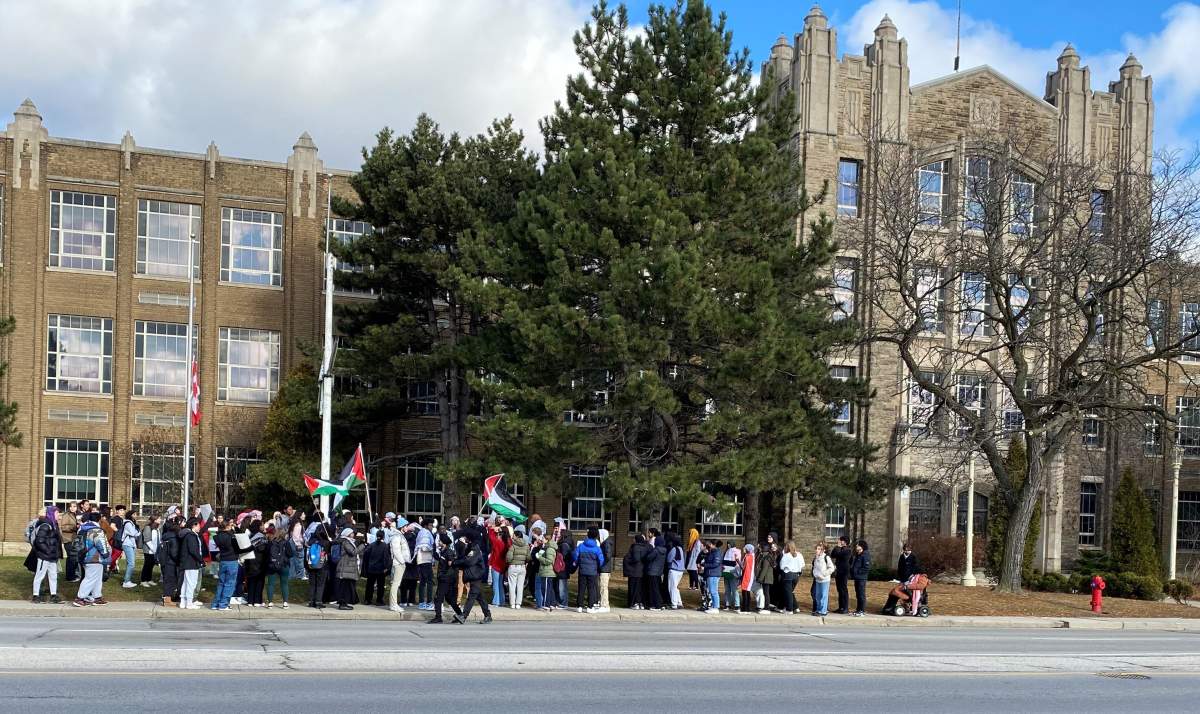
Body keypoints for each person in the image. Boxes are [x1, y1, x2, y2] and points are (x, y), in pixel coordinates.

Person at [453, 532, 491, 624]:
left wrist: (456, 562)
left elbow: (469, 561)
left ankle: (463, 616)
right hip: (472, 576)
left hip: (476, 576)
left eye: (465, 536)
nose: (464, 538)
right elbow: (462, 556)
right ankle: (488, 616)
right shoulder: (469, 547)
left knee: (471, 596)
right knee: (480, 597)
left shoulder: (475, 549)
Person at [74, 513, 110, 607]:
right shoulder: (97, 530)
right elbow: (100, 543)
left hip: (85, 556)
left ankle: (97, 597)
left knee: (97, 578)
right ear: (99, 520)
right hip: (95, 557)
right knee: (90, 578)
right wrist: (106, 554)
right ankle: (80, 598)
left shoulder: (83, 528)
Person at [429, 532, 464, 623]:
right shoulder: (443, 551)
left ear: (443, 542)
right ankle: (460, 615)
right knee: (450, 599)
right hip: (445, 578)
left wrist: (444, 575)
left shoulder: (449, 552)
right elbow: (440, 560)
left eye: (440, 540)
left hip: (446, 579)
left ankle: (438, 617)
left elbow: (451, 565)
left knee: (438, 598)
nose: (438, 542)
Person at [31, 506, 62, 604]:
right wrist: (48, 551)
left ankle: (53, 595)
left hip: (52, 557)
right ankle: (36, 596)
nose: (59, 516)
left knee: (53, 576)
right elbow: (39, 541)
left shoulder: (54, 525)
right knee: (39, 575)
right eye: (57, 513)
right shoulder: (46, 525)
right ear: (52, 514)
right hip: (44, 556)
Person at [212, 520, 242, 611]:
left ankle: (216, 603)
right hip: (232, 560)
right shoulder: (231, 537)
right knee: (230, 583)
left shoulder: (217, 536)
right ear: (228, 527)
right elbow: (238, 547)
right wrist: (233, 530)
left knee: (221, 582)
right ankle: (223, 604)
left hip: (223, 560)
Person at [573, 526, 604, 612]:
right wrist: (598, 567)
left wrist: (577, 563)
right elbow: (601, 560)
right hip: (593, 571)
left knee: (581, 588)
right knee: (591, 589)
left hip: (582, 570)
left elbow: (575, 556)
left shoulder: (581, 546)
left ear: (588, 535)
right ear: (596, 536)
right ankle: (590, 607)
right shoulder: (597, 548)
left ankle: (579, 606)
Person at [265, 525, 296, 608]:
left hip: (272, 565)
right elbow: (290, 554)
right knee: (284, 584)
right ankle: (285, 602)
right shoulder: (286, 542)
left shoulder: (271, 542)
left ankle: (270, 602)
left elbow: (267, 553)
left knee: (270, 584)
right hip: (284, 565)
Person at [178, 518, 205, 609]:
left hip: (187, 562)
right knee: (191, 583)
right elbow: (194, 551)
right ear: (194, 525)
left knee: (186, 583)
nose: (200, 527)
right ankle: (189, 603)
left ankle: (183, 602)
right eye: (198, 525)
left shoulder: (188, 535)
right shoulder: (192, 536)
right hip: (191, 563)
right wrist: (201, 560)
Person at [388, 517, 412, 612]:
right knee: (395, 584)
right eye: (406, 526)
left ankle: (394, 604)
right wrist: (402, 562)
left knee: (395, 584)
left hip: (399, 563)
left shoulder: (399, 535)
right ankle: (393, 605)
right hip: (398, 563)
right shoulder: (397, 536)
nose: (407, 528)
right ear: (402, 527)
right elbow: (396, 551)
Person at [305, 525, 332, 609]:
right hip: (322, 565)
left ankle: (311, 601)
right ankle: (318, 601)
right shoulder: (326, 542)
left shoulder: (311, 541)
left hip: (311, 565)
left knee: (312, 583)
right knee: (320, 584)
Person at [362, 528, 391, 606]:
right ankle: (379, 600)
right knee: (380, 585)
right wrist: (386, 567)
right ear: (383, 537)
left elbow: (366, 554)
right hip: (380, 569)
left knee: (370, 585)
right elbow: (386, 558)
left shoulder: (372, 545)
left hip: (371, 568)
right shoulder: (384, 546)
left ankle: (367, 600)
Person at [334, 527, 360, 610]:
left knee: (346, 586)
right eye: (352, 533)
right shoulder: (346, 542)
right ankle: (342, 604)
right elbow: (353, 552)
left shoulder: (349, 541)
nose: (353, 534)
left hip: (347, 567)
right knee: (344, 587)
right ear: (348, 534)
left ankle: (344, 602)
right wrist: (362, 545)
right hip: (345, 567)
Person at [486, 517, 510, 608]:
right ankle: (502, 600)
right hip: (503, 566)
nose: (497, 534)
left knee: (495, 584)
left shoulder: (498, 543)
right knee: (500, 584)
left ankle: (496, 601)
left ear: (500, 535)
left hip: (496, 565)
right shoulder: (507, 543)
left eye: (498, 533)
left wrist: (490, 528)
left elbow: (491, 536)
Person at [244, 520, 268, 607]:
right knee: (259, 581)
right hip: (259, 561)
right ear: (259, 526)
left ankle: (250, 601)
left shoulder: (250, 535)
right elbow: (263, 549)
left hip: (249, 560)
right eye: (262, 525)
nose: (263, 527)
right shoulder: (261, 537)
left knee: (251, 581)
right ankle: (257, 601)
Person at [506, 524, 531, 609]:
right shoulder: (526, 546)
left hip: (513, 566)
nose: (512, 537)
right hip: (522, 567)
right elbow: (528, 557)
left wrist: (509, 562)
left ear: (516, 536)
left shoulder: (513, 546)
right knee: (520, 586)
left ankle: (512, 603)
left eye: (513, 535)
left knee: (512, 586)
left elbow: (508, 557)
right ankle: (518, 604)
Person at [533, 527, 558, 611]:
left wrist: (540, 558)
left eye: (543, 538)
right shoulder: (545, 548)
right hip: (545, 571)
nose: (542, 539)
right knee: (548, 588)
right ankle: (552, 603)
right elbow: (540, 555)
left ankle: (546, 604)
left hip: (548, 571)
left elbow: (549, 561)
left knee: (546, 589)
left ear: (547, 540)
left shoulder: (550, 549)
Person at [623, 534, 649, 610]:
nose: (633, 540)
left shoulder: (635, 547)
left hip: (634, 571)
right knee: (640, 588)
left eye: (634, 539)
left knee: (633, 587)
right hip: (642, 571)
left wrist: (627, 559)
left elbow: (636, 558)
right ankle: (640, 602)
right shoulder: (645, 547)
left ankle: (634, 603)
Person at [159, 517, 181, 606]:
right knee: (170, 581)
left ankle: (166, 597)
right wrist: (179, 561)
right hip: (171, 562)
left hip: (164, 561)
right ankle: (167, 600)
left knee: (167, 580)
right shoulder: (174, 539)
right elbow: (174, 552)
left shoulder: (165, 537)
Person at [778, 541, 805, 614]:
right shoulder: (799, 554)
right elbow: (803, 565)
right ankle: (795, 607)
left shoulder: (786, 555)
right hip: (796, 575)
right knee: (790, 592)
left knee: (788, 593)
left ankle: (789, 609)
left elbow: (781, 566)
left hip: (788, 575)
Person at [415, 518, 436, 610]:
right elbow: (424, 547)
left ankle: (421, 603)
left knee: (423, 582)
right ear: (426, 525)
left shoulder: (421, 532)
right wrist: (433, 549)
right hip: (425, 560)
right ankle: (429, 603)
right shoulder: (425, 533)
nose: (432, 527)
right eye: (431, 525)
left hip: (421, 560)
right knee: (429, 582)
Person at [642, 534, 667, 611]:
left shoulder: (656, 550)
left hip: (652, 571)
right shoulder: (664, 550)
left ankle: (655, 605)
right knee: (658, 589)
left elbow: (648, 558)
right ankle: (660, 603)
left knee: (653, 589)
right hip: (659, 572)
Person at [554, 519, 575, 607]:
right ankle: (562, 602)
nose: (558, 533)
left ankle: (563, 603)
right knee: (562, 586)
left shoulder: (564, 544)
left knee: (562, 587)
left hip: (563, 569)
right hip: (564, 568)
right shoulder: (566, 543)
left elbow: (563, 557)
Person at [810, 542, 835, 616]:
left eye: (819, 549)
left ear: (823, 550)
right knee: (817, 596)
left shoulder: (826, 557)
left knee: (823, 595)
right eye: (816, 549)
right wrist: (815, 574)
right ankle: (818, 610)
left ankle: (823, 611)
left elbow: (831, 568)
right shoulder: (816, 558)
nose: (817, 550)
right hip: (818, 579)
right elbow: (814, 568)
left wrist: (823, 574)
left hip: (825, 580)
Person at [830, 536, 852, 615]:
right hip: (838, 572)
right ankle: (841, 607)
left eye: (840, 540)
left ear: (844, 542)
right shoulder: (840, 548)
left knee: (843, 590)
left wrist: (838, 547)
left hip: (844, 572)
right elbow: (833, 555)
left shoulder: (848, 550)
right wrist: (837, 547)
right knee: (839, 590)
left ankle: (845, 608)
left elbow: (839, 554)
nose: (839, 541)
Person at [119, 509, 141, 588]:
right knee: (131, 563)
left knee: (130, 563)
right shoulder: (128, 523)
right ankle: (126, 581)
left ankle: (127, 580)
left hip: (131, 544)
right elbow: (132, 533)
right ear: (130, 515)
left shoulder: (132, 523)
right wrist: (138, 533)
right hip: (127, 544)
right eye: (134, 514)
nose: (136, 516)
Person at [59, 501, 80, 582]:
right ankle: (70, 576)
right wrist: (74, 527)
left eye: (74, 506)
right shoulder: (66, 515)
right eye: (71, 506)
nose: (72, 508)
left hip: (75, 539)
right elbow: (63, 527)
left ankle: (71, 575)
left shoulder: (77, 515)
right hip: (68, 539)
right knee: (72, 557)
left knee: (73, 558)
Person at [850, 539, 871, 617]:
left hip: (861, 578)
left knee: (861, 594)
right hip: (857, 578)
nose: (856, 546)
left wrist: (857, 572)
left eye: (858, 545)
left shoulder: (865, 555)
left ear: (862, 546)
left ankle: (862, 610)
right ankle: (858, 609)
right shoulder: (858, 554)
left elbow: (866, 567)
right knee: (858, 594)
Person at [755, 538, 777, 613]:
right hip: (765, 578)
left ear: (763, 548)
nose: (759, 549)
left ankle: (766, 608)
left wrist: (760, 579)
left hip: (766, 578)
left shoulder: (766, 557)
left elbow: (764, 569)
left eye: (760, 547)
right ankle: (764, 606)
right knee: (765, 592)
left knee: (766, 593)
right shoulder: (764, 555)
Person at [701, 539, 723, 613]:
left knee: (713, 591)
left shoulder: (717, 552)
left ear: (713, 545)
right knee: (711, 591)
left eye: (710, 544)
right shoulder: (712, 552)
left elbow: (715, 564)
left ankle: (716, 607)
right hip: (710, 573)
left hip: (713, 574)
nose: (709, 545)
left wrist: (705, 565)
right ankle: (714, 606)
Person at [666, 531, 686, 609]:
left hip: (674, 570)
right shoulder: (681, 549)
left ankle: (674, 604)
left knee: (672, 587)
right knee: (676, 587)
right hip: (680, 571)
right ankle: (679, 602)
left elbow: (669, 559)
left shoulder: (674, 549)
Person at [139, 515, 161, 587]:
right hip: (148, 550)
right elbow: (147, 540)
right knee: (147, 565)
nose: (160, 519)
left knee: (151, 565)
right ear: (155, 520)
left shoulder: (157, 528)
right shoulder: (147, 528)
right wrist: (154, 549)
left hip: (155, 550)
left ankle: (149, 579)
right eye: (159, 518)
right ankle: (143, 580)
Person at [597, 528, 614, 612]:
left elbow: (608, 555)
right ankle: (602, 603)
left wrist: (601, 562)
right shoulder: (606, 543)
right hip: (604, 568)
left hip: (605, 569)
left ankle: (605, 605)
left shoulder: (606, 543)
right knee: (602, 587)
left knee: (604, 587)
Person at [721, 541, 742, 611]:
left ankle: (737, 605)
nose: (728, 545)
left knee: (734, 590)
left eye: (729, 544)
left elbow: (737, 563)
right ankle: (727, 604)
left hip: (734, 573)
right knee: (727, 590)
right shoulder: (726, 552)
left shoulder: (737, 551)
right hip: (726, 571)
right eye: (727, 544)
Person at [738, 543, 757, 614]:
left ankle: (745, 609)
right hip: (749, 575)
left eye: (744, 548)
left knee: (745, 593)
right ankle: (746, 609)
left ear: (748, 549)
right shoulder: (751, 556)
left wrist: (737, 560)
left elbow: (743, 567)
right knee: (746, 592)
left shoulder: (748, 557)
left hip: (747, 575)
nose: (743, 549)